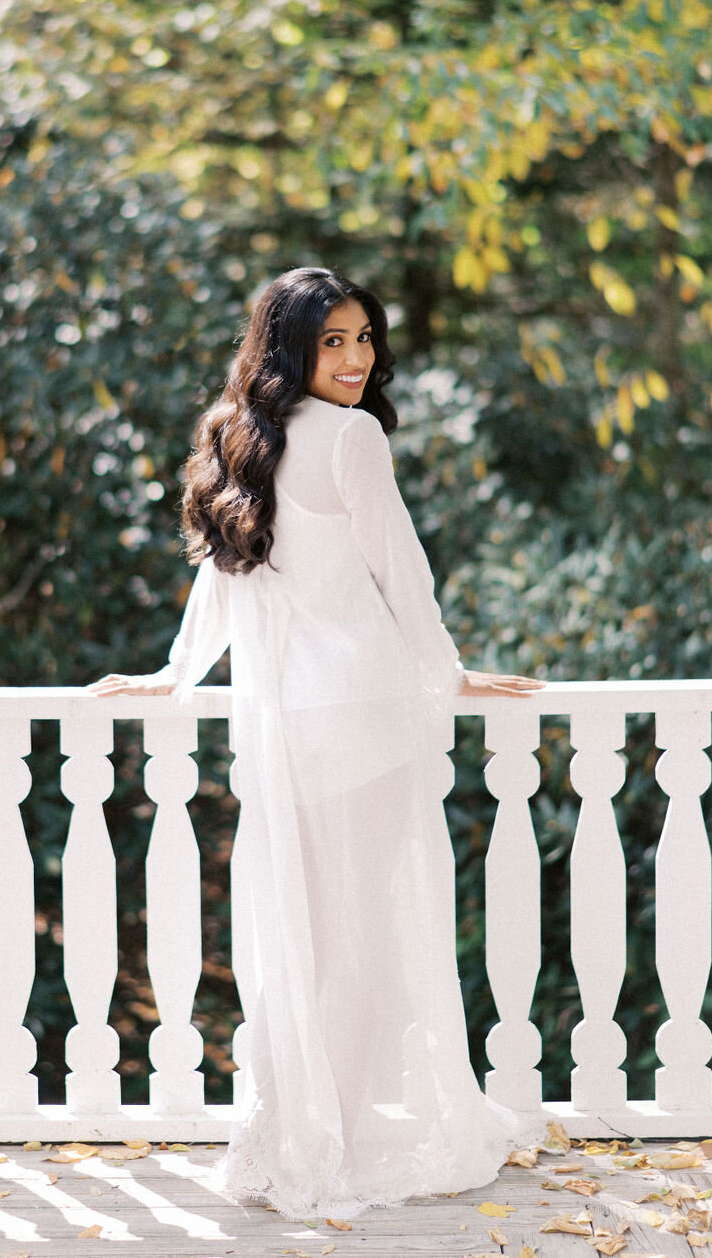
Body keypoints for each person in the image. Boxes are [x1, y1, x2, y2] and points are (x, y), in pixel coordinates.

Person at [89, 267, 547, 1219]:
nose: (355, 358)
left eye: (364, 338)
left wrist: (179, 671)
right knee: (355, 937)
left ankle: (292, 1134)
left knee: (298, 936)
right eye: (333, 340)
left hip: (285, 725)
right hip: (364, 714)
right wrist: (448, 670)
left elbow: (224, 574)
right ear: (290, 347)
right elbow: (401, 570)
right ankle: (323, 1140)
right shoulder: (352, 436)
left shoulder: (237, 434)